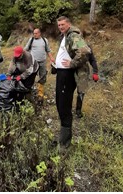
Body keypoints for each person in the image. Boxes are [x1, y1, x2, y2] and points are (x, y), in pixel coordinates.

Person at [50, 16, 90, 147]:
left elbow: (84, 51)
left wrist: (72, 63)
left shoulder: (73, 35)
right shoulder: (65, 36)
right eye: (59, 25)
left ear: (68, 24)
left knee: (64, 106)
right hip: (61, 73)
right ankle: (63, 138)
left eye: (62, 24)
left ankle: (65, 143)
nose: (60, 27)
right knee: (60, 104)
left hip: (67, 75)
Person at [24, 28, 53, 102]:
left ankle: (40, 94)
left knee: (42, 77)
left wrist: (51, 58)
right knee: (31, 76)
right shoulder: (31, 40)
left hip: (43, 62)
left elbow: (48, 50)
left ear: (40, 33)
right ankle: (29, 91)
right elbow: (26, 49)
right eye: (34, 33)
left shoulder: (44, 40)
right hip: (33, 62)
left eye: (36, 33)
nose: (34, 35)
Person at [74, 47, 100, 119]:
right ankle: (66, 108)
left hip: (83, 72)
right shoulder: (70, 43)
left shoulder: (87, 46)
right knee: (68, 90)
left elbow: (92, 59)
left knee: (81, 92)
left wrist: (95, 72)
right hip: (71, 70)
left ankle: (78, 110)